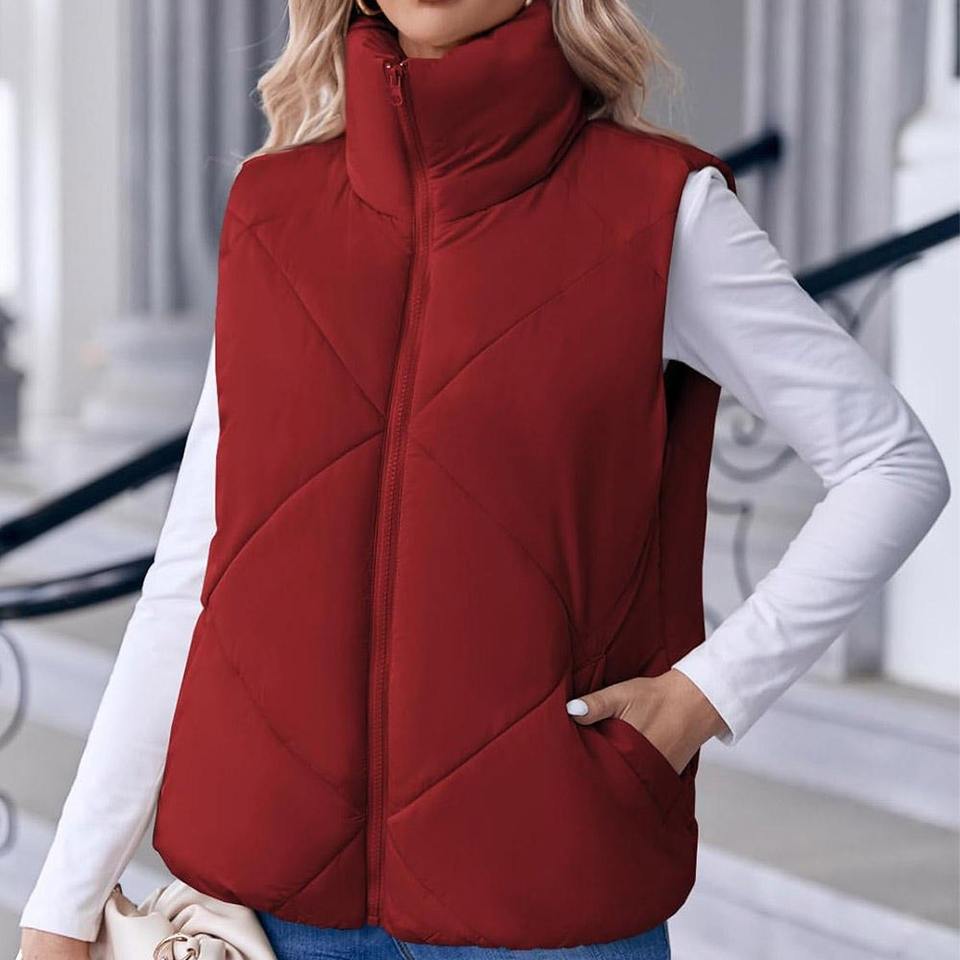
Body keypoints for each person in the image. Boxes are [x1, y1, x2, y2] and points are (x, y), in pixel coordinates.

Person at [18, 1, 951, 958]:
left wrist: (703, 695)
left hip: (541, 906)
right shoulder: (273, 211)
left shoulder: (657, 209)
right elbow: (195, 570)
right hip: (268, 915)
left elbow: (891, 463)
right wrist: (63, 901)